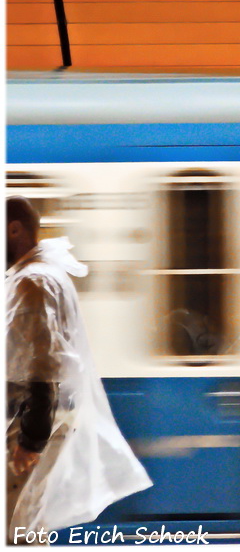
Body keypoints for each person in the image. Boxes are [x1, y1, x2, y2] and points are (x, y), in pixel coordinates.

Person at [7, 196, 151, 541]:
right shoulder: (41, 276)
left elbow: (44, 362)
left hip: (29, 423)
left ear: (14, 229)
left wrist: (31, 437)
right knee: (24, 523)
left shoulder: (33, 282)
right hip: (36, 420)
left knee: (17, 528)